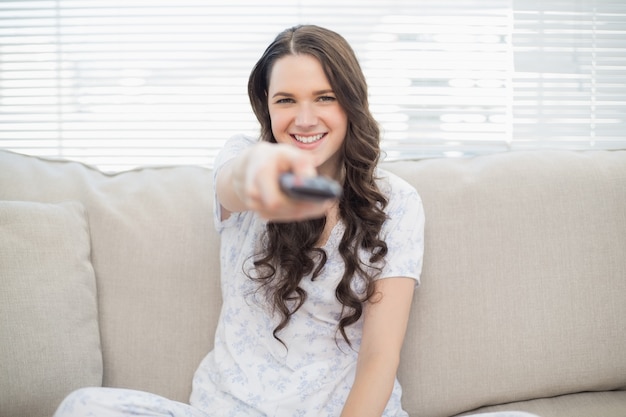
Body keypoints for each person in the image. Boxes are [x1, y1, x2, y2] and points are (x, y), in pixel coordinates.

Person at [53, 25, 539, 417]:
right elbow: (237, 181)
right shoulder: (244, 159)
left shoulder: (397, 202)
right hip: (232, 409)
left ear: (350, 102)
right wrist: (268, 178)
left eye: (324, 97)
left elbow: (379, 356)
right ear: (266, 106)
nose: (304, 119)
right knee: (83, 407)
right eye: (285, 100)